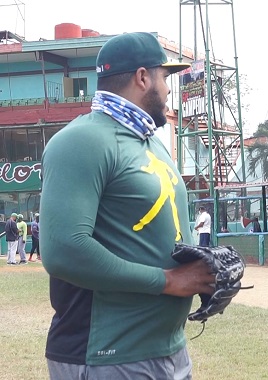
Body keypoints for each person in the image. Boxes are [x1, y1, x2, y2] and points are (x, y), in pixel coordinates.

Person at [40, 32, 216, 378]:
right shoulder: (80, 141)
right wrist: (167, 280)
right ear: (142, 77)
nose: (168, 90)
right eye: (165, 78)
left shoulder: (152, 144)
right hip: (107, 356)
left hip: (168, 349)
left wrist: (202, 268)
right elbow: (63, 250)